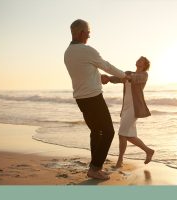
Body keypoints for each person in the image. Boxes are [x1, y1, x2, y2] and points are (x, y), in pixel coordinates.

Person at [64, 19, 126, 180]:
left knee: (96, 132)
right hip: (93, 98)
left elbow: (84, 73)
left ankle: (95, 166)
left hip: (81, 99)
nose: (89, 35)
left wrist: (100, 78)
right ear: (82, 33)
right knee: (108, 132)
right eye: (88, 32)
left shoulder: (68, 53)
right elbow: (107, 66)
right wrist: (125, 76)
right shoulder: (87, 50)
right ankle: (95, 168)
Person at [109, 56, 155, 168]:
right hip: (125, 107)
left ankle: (121, 160)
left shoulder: (144, 75)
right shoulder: (128, 73)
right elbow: (117, 78)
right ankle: (147, 151)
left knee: (122, 134)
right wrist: (107, 78)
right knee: (125, 135)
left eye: (142, 61)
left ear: (144, 65)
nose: (139, 61)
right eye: (138, 59)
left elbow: (135, 78)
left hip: (134, 108)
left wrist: (126, 77)